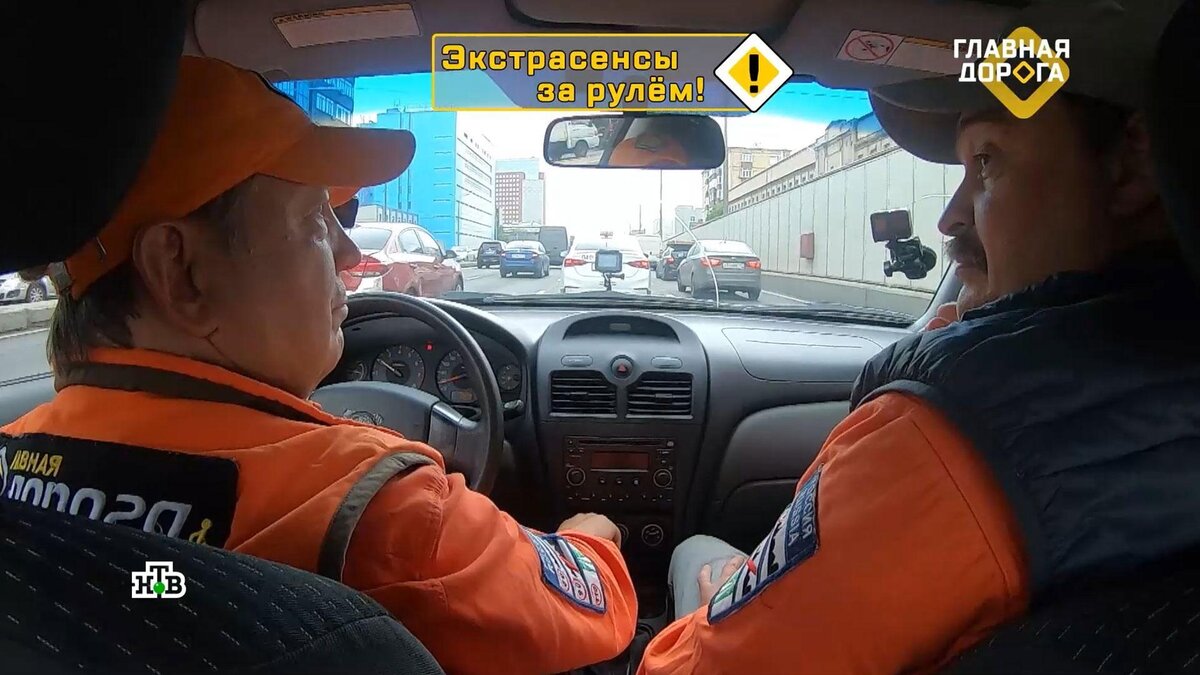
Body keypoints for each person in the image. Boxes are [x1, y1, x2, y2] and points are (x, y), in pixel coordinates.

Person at [0, 56, 637, 674]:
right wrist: (590, 542)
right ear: (180, 271)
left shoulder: (12, 462)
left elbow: (149, 588)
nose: (350, 252)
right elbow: (588, 616)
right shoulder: (385, 512)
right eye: (312, 219)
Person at [637, 1, 1200, 673]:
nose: (949, 216)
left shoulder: (953, 437)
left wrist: (721, 610)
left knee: (697, 555)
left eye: (986, 161)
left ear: (1132, 163)